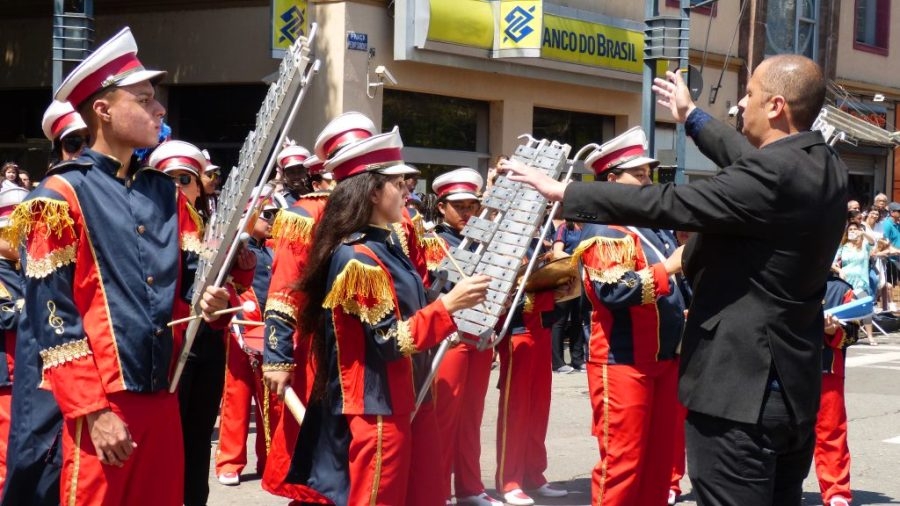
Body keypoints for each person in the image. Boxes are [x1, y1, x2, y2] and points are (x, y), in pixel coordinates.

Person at [502, 54, 848, 504]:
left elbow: (669, 202)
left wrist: (567, 192)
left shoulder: (771, 176)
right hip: (790, 389)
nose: (741, 105)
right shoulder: (824, 165)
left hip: (739, 394)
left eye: (749, 95)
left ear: (776, 105)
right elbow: (746, 156)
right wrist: (692, 117)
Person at [8, 27, 236, 505]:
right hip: (100, 406)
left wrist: (211, 302)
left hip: (164, 396)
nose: (160, 110)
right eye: (145, 98)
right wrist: (93, 410)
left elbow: (192, 283)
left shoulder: (165, 192)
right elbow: (54, 319)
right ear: (103, 110)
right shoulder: (59, 195)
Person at [287, 128, 490, 505]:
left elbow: (411, 307)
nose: (409, 192)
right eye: (399, 184)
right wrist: (448, 307)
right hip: (378, 405)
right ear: (373, 192)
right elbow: (388, 341)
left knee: (427, 494)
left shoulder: (388, 244)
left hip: (411, 393)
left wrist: (447, 293)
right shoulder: (357, 258)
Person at [567, 127, 687, 505]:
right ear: (612, 180)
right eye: (638, 175)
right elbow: (613, 291)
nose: (647, 181)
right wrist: (668, 269)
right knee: (623, 464)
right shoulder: (606, 229)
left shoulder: (651, 226)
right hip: (623, 360)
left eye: (647, 174)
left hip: (662, 358)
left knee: (656, 461)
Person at [1, 100, 89, 506]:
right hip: (33, 368)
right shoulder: (51, 202)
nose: (86, 151)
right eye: (76, 144)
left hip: (80, 363)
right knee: (29, 464)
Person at [148, 139, 242, 506]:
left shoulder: (211, 222)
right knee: (171, 439)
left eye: (185, 179)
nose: (178, 188)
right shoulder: (157, 220)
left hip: (206, 340)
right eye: (168, 179)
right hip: (173, 343)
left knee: (199, 435)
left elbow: (227, 285)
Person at [427, 168, 503, 506]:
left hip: (481, 336)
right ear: (442, 207)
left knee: (472, 417)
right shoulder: (433, 240)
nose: (468, 213)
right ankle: (438, 490)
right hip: (450, 338)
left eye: (473, 205)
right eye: (460, 206)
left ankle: (470, 487)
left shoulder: (487, 240)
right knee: (444, 419)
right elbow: (430, 292)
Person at [215, 189, 281, 486]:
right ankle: (230, 461)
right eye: (267, 215)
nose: (272, 220)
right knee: (237, 398)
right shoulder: (231, 248)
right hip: (240, 328)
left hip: (267, 331)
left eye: (273, 215)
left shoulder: (270, 248)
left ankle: (271, 460)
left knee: (270, 400)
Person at [494, 273, 572, 506]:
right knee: (515, 412)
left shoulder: (535, 252)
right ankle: (509, 480)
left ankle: (533, 474)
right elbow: (507, 298)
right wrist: (550, 295)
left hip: (541, 332)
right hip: (518, 334)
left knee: (539, 411)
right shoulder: (508, 248)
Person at [816, 274, 856, 506]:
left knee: (831, 431)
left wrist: (833, 331)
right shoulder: (782, 278)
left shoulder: (840, 289)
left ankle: (836, 490)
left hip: (826, 368)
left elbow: (852, 334)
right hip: (784, 366)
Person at [0, 186, 27, 494]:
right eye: (14, 231)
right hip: (5, 378)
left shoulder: (23, 270)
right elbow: (7, 316)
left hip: (23, 375)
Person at [833, 221, 877, 346]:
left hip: (860, 282)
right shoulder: (843, 246)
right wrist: (839, 269)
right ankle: (847, 335)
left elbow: (873, 242)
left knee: (865, 307)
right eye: (850, 229)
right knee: (848, 308)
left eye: (854, 229)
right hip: (846, 281)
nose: (852, 231)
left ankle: (870, 336)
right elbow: (832, 262)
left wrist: (862, 233)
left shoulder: (864, 245)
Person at [550, 219, 584, 373]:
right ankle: (557, 362)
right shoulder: (565, 228)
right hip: (565, 277)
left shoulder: (588, 227)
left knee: (578, 319)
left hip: (582, 277)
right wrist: (577, 260)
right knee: (560, 320)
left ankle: (578, 359)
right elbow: (557, 252)